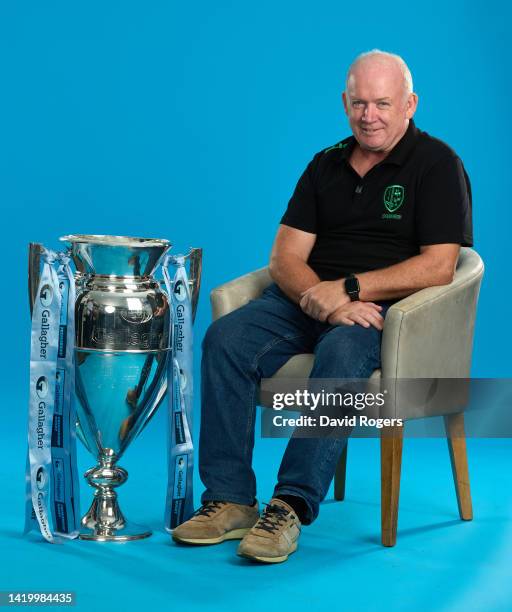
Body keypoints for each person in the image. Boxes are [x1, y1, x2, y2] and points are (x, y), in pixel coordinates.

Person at [172, 49, 473, 563]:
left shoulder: (437, 164)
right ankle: (229, 498)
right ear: (344, 102)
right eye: (359, 103)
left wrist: (351, 291)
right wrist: (328, 302)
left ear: (409, 104)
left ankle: (289, 505)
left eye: (382, 103)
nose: (369, 116)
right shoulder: (325, 164)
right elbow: (285, 256)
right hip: (312, 302)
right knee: (225, 339)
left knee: (341, 355)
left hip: (387, 315)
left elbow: (440, 266)